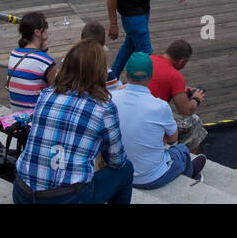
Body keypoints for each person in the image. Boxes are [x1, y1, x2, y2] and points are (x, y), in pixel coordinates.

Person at [13, 40, 133, 204]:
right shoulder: (104, 108)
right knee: (126, 170)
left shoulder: (46, 95)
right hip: (66, 198)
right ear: (99, 72)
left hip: (22, 193)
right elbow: (117, 161)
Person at [111, 52, 207, 189]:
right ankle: (191, 174)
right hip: (148, 179)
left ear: (126, 75)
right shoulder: (160, 106)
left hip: (118, 173)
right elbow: (174, 139)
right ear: (150, 76)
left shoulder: (111, 99)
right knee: (180, 150)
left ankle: (190, 172)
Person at [147, 39, 208, 152]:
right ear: (181, 61)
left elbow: (158, 84)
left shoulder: (150, 59)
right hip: (152, 124)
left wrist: (180, 90)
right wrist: (196, 99)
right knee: (194, 121)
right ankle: (191, 162)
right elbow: (185, 111)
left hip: (139, 114)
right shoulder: (174, 75)